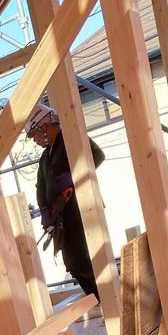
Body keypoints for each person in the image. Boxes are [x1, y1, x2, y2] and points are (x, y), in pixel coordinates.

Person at [25, 101, 105, 301]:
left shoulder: (71, 139)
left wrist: (75, 176)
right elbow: (41, 187)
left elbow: (97, 155)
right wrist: (45, 211)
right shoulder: (46, 157)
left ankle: (107, 299)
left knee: (86, 261)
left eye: (34, 135)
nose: (35, 141)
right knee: (72, 263)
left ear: (43, 127)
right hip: (63, 220)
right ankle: (100, 299)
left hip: (82, 213)